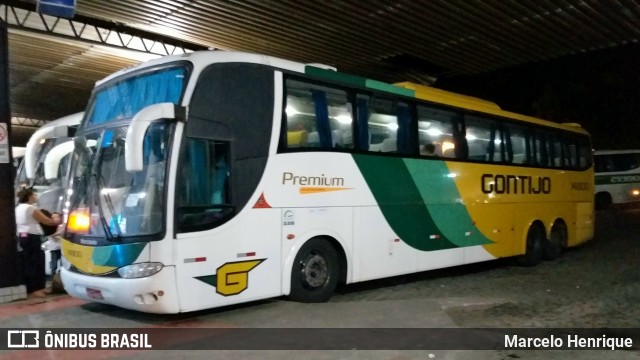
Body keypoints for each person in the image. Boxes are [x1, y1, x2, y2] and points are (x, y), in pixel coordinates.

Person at [15, 187, 61, 298]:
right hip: (32, 237)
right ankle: (36, 289)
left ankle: (31, 288)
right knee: (36, 262)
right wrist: (56, 221)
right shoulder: (30, 208)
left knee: (28, 262)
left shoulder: (18, 208)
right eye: (34, 195)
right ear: (29, 196)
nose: (36, 197)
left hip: (22, 236)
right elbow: (46, 221)